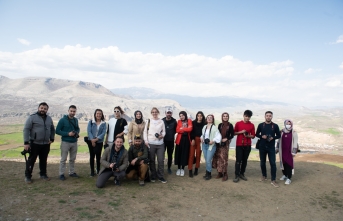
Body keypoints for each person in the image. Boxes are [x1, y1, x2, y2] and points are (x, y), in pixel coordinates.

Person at [23, 102, 55, 184]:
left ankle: (43, 174)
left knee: (44, 160)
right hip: (35, 143)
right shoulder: (32, 118)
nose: (43, 110)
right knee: (31, 160)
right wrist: (26, 142)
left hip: (46, 144)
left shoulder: (49, 118)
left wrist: (52, 138)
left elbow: (52, 129)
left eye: (45, 108)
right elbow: (26, 129)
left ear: (47, 110)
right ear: (38, 108)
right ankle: (28, 176)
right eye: (41, 108)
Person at [256, 111, 281, 187]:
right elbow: (256, 134)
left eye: (270, 116)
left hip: (271, 147)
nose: (268, 117)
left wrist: (273, 137)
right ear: (265, 116)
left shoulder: (275, 126)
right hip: (262, 146)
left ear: (272, 117)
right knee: (262, 162)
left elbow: (279, 135)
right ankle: (264, 176)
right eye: (267, 115)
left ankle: (273, 180)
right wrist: (262, 136)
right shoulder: (261, 125)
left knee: (273, 164)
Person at [56, 105, 80, 181]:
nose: (72, 112)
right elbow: (57, 131)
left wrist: (77, 133)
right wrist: (67, 134)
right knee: (63, 159)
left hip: (74, 142)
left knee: (72, 159)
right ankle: (61, 174)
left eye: (74, 111)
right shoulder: (62, 120)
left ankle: (71, 172)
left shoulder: (75, 120)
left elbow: (77, 128)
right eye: (71, 111)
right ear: (68, 111)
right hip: (65, 142)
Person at [143, 107, 167, 183]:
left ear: (158, 112)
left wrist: (162, 136)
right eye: (153, 112)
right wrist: (146, 141)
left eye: (156, 112)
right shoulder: (148, 121)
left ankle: (160, 176)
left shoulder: (161, 121)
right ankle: (153, 175)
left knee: (160, 160)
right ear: (151, 113)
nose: (154, 113)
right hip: (151, 143)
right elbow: (145, 132)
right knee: (152, 160)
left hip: (160, 144)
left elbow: (164, 131)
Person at [233, 110, 255, 183]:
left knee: (244, 160)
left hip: (247, 145)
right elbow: (234, 133)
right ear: (243, 115)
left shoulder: (252, 125)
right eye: (246, 116)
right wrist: (241, 132)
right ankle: (236, 175)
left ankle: (242, 173)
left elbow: (253, 136)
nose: (247, 118)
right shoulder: (238, 124)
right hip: (239, 145)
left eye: (249, 117)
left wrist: (248, 135)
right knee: (238, 160)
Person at [212, 112, 234, 181]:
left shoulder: (230, 125)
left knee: (224, 158)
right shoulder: (220, 125)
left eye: (226, 116)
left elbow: (232, 135)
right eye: (224, 116)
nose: (225, 117)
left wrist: (226, 138)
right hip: (219, 143)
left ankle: (225, 174)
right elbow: (217, 133)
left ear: (228, 117)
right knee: (218, 158)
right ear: (222, 117)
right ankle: (219, 172)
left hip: (225, 144)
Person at [276, 119, 298, 185]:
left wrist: (294, 152)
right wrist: (277, 148)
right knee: (283, 164)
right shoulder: (282, 131)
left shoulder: (294, 132)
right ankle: (285, 175)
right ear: (285, 124)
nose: (288, 125)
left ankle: (289, 178)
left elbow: (295, 143)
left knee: (289, 164)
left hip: (289, 151)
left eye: (289, 124)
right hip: (282, 151)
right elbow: (278, 140)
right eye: (287, 124)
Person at [86, 109, 107, 177]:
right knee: (92, 156)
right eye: (97, 113)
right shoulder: (91, 122)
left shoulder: (103, 123)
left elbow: (103, 133)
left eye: (100, 114)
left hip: (99, 142)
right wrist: (92, 140)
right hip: (91, 141)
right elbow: (89, 131)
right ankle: (92, 171)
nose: (98, 115)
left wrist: (96, 140)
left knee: (98, 156)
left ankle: (98, 170)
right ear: (95, 114)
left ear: (102, 115)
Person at [201, 114, 221, 180]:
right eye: (208, 118)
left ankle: (209, 174)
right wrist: (202, 138)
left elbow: (219, 137)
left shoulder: (214, 128)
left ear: (212, 120)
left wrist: (213, 141)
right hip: (204, 145)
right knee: (207, 160)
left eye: (210, 118)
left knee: (208, 160)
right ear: (206, 119)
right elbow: (203, 135)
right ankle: (207, 173)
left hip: (211, 146)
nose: (209, 119)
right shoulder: (204, 127)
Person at [174, 111, 193, 177]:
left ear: (185, 115)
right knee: (179, 153)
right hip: (179, 140)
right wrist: (185, 129)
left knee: (184, 154)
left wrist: (182, 128)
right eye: (180, 116)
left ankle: (182, 168)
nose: (181, 117)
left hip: (186, 140)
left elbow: (190, 129)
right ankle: (178, 168)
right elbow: (177, 130)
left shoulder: (189, 121)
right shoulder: (179, 121)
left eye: (182, 115)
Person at [189, 111, 206, 177]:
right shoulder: (193, 123)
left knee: (198, 155)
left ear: (202, 117)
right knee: (191, 155)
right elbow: (191, 132)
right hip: (193, 139)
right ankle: (190, 169)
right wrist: (192, 139)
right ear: (196, 116)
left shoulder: (204, 124)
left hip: (200, 140)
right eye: (198, 116)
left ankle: (196, 169)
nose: (199, 117)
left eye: (201, 116)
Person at [162, 107, 177, 174]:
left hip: (171, 141)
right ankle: (161, 168)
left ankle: (169, 168)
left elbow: (176, 131)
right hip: (163, 141)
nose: (169, 114)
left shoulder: (174, 121)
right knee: (162, 155)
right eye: (167, 113)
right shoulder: (162, 121)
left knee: (170, 155)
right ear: (165, 113)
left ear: (172, 114)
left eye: (170, 113)